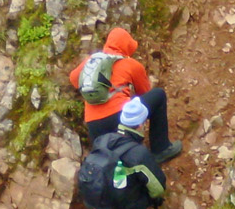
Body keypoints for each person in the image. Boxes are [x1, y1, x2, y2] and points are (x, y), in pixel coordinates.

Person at [69, 27, 181, 163]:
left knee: (110, 163)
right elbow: (144, 92)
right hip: (120, 118)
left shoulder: (91, 62)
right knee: (158, 95)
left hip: (93, 124)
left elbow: (73, 79)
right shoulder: (130, 64)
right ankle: (161, 149)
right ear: (126, 46)